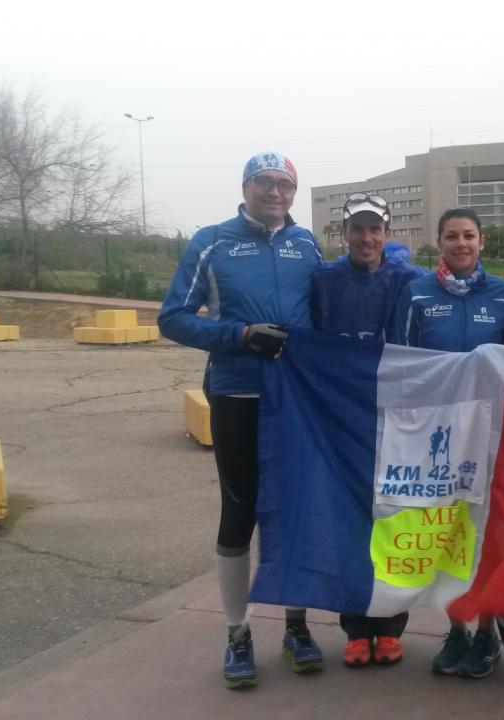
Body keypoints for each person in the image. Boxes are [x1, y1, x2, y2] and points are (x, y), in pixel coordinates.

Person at [158, 152, 325, 689]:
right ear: (246, 185)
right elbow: (173, 319)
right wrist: (239, 336)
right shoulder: (211, 240)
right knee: (240, 513)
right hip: (238, 394)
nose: (275, 193)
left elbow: (326, 311)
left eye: (285, 184)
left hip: (297, 399)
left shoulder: (307, 244)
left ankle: (297, 627)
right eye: (265, 182)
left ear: (294, 193)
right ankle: (237, 633)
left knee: (296, 511)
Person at [392, 207, 504, 679]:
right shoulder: (417, 293)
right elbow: (402, 363)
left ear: (481, 242)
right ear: (439, 243)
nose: (460, 243)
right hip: (438, 434)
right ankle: (457, 629)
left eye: (468, 235)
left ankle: (487, 633)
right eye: (451, 236)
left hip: (490, 432)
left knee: (489, 530)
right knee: (447, 532)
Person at [310, 193, 425, 667]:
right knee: (349, 520)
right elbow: (307, 342)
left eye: (374, 228)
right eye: (357, 229)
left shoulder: (410, 281)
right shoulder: (323, 281)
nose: (366, 237)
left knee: (392, 517)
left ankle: (392, 623)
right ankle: (355, 626)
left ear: (387, 231)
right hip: (340, 416)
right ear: (344, 234)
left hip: (394, 416)